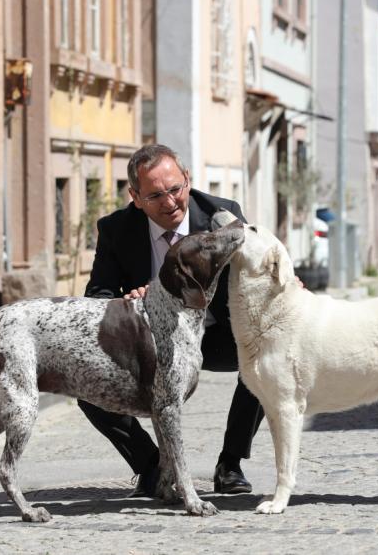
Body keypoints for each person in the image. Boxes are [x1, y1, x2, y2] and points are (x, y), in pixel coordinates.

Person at [80, 143, 265, 498]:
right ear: (135, 197)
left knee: (260, 364)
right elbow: (98, 297)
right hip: (151, 343)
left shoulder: (222, 215)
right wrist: (125, 301)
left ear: (187, 180)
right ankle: (153, 468)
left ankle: (230, 465)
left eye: (175, 189)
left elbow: (257, 268)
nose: (170, 202)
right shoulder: (115, 229)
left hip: (216, 333)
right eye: (155, 195)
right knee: (87, 386)